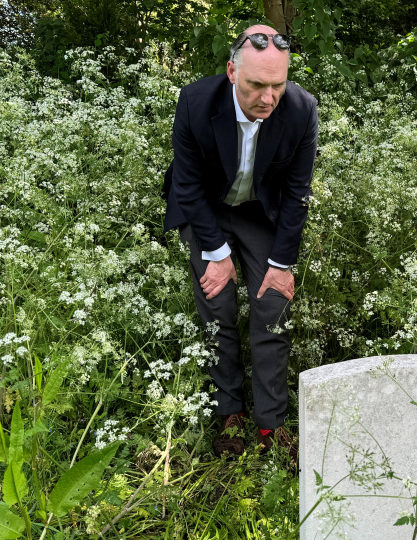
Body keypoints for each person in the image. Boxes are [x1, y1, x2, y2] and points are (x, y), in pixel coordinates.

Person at [160, 24, 319, 461]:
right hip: (207, 207)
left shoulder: (302, 109)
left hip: (258, 211)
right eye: (255, 85)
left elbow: (297, 193)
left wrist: (282, 263)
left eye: (277, 85)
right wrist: (216, 255)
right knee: (218, 302)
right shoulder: (195, 102)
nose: (268, 98)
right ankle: (229, 410)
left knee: (272, 304)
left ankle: (271, 422)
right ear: (232, 71)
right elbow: (188, 186)